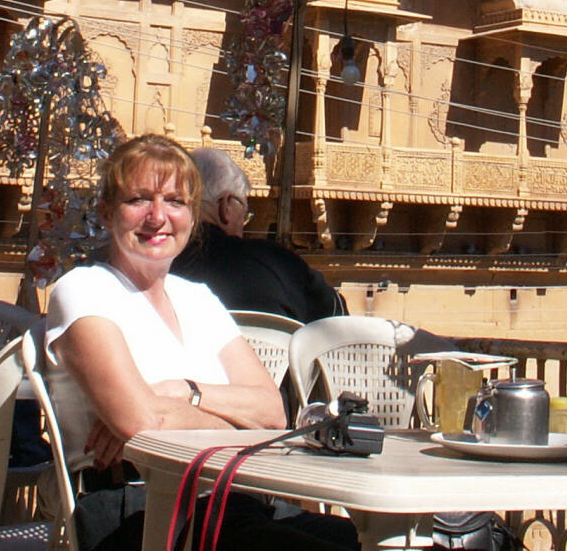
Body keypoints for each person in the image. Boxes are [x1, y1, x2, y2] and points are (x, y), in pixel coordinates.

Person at [45, 133, 357, 551]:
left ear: (192, 218)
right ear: (106, 212)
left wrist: (181, 393)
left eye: (174, 202)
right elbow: (143, 424)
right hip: (140, 509)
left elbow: (271, 415)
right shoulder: (84, 290)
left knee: (372, 541)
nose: (158, 216)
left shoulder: (198, 298)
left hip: (229, 500)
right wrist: (230, 424)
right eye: (139, 199)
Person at [173, 145, 345, 324]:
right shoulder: (276, 264)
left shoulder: (158, 267)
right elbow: (336, 319)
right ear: (226, 206)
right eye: (244, 212)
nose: (244, 223)